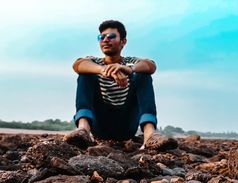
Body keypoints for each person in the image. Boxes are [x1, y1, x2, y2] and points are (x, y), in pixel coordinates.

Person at [64, 20, 177, 150]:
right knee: (85, 74)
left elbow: (151, 65)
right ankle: (83, 129)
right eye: (101, 37)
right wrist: (103, 70)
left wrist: (129, 69)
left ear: (123, 42)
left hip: (126, 126)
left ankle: (149, 135)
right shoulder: (94, 62)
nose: (105, 40)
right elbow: (78, 65)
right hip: (100, 125)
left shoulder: (131, 62)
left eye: (111, 36)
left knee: (143, 75)